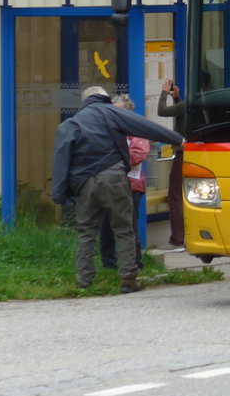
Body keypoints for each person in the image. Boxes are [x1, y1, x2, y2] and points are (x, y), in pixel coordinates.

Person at [51, 85, 184, 293]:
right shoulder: (110, 112)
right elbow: (144, 126)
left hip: (84, 183)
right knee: (124, 229)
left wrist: (59, 193)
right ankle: (128, 280)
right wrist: (177, 139)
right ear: (104, 98)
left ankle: (84, 281)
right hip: (113, 177)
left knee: (86, 232)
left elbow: (61, 160)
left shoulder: (72, 123)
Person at [98, 95, 149, 275]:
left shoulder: (137, 132)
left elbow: (137, 155)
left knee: (129, 224)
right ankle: (108, 264)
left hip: (131, 185)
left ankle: (135, 262)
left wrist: (112, 157)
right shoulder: (105, 131)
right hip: (109, 184)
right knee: (106, 225)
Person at [157, 78, 186, 251]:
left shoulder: (188, 105)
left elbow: (161, 111)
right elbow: (184, 115)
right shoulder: (202, 105)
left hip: (183, 156)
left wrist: (164, 92)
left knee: (175, 198)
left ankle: (177, 240)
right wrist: (176, 98)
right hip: (198, 155)